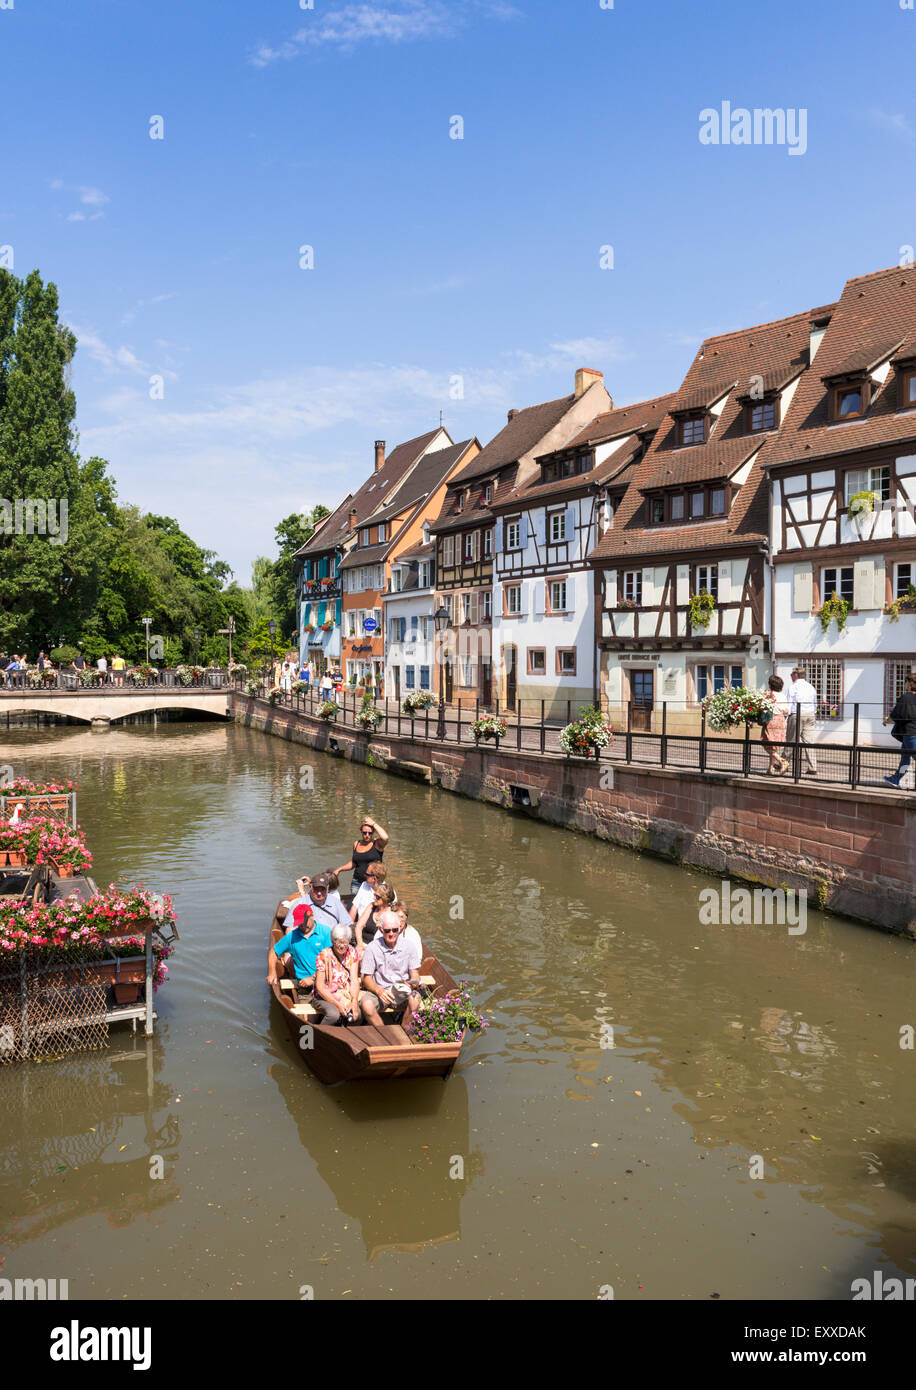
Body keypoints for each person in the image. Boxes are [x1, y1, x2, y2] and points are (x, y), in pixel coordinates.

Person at [359, 909, 422, 1033]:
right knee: (366, 1005)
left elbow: (415, 976)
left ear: (400, 928)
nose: (392, 934)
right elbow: (366, 978)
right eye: (387, 930)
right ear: (381, 930)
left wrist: (410, 983)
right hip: (381, 990)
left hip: (402, 991)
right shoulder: (372, 948)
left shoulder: (409, 946)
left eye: (395, 930)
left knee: (415, 999)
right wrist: (379, 990)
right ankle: (385, 1034)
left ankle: (404, 1031)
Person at [268, 902, 331, 992]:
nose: (302, 925)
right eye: (299, 923)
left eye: (305, 922)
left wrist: (313, 978)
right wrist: (272, 972)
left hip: (326, 983)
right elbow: (273, 951)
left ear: (312, 916)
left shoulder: (326, 932)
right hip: (304, 986)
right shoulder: (291, 937)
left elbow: (333, 961)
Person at [312, 924, 362, 1025]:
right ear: (333, 941)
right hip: (325, 995)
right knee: (333, 1014)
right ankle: (321, 1035)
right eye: (339, 942)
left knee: (358, 1013)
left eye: (345, 942)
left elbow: (354, 980)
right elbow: (320, 987)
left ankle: (348, 1035)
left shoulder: (352, 953)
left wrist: (354, 1001)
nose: (342, 946)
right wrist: (338, 1005)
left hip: (344, 993)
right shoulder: (324, 955)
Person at [277, 872, 352, 933]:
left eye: (322, 889)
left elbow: (347, 926)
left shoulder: (335, 901)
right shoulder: (300, 903)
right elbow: (290, 930)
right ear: (311, 887)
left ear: (327, 888)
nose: (319, 893)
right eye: (316, 889)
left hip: (332, 944)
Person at [336, 817, 389, 892]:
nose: (367, 835)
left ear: (373, 832)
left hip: (374, 883)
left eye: (370, 833)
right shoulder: (356, 844)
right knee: (355, 902)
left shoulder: (377, 844)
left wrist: (373, 823)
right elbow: (354, 863)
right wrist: (339, 869)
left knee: (374, 902)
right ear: (361, 832)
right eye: (364, 833)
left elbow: (385, 837)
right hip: (357, 882)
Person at [883, 675, 916, 789]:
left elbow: (897, 712)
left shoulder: (907, 697)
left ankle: (896, 778)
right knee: (905, 757)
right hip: (911, 732)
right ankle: (896, 778)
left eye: (906, 682)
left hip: (910, 732)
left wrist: (887, 720)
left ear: (910, 684)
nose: (905, 684)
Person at [786, 667, 818, 777]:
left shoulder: (793, 687)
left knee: (791, 740)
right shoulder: (811, 687)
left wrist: (786, 717)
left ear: (795, 675)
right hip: (810, 714)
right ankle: (812, 767)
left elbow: (789, 704)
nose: (790, 676)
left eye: (791, 674)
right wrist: (813, 713)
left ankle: (784, 763)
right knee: (809, 742)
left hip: (797, 714)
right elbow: (815, 703)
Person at [354, 881, 396, 956]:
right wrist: (360, 944)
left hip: (377, 948)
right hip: (362, 942)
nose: (374, 898)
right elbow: (359, 926)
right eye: (374, 895)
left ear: (385, 899)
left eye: (377, 897)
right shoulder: (371, 906)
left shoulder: (390, 913)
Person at [761, 675, 789, 776]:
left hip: (771, 720)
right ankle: (771, 768)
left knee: (766, 743)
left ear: (770, 684)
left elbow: (762, 707)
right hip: (781, 720)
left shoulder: (769, 694)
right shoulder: (783, 695)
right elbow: (786, 710)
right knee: (774, 746)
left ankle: (782, 761)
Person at [393, 900, 423, 965]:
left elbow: (417, 959)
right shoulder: (385, 930)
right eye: (396, 917)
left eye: (402, 917)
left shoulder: (413, 934)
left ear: (406, 917)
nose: (399, 921)